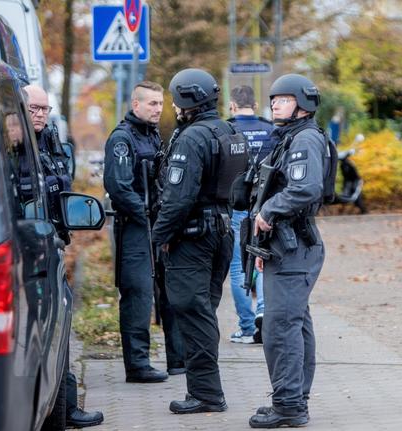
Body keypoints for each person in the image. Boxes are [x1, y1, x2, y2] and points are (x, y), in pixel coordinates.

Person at [152, 68, 248, 414]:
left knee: (193, 313)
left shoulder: (192, 138)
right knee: (204, 310)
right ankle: (205, 390)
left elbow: (178, 198)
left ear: (186, 101)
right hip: (222, 231)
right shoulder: (229, 131)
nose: (174, 107)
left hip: (193, 237)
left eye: (176, 101)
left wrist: (159, 236)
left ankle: (206, 394)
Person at [248, 74, 331, 428]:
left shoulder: (305, 139)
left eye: (282, 100)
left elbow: (307, 187)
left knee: (281, 327)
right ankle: (294, 398)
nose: (274, 105)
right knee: (294, 325)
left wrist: (268, 210)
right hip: (286, 245)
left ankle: (289, 406)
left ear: (302, 103)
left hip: (293, 245)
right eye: (273, 101)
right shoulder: (291, 137)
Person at [24, 85, 104, 428]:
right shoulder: (12, 145)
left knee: (61, 324)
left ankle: (65, 405)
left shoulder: (52, 141)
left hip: (52, 244)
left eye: (45, 108)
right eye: (34, 108)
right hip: (26, 250)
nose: (41, 114)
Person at [103, 81, 184, 383]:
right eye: (151, 104)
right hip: (136, 228)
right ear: (135, 104)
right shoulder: (122, 139)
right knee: (138, 294)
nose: (157, 109)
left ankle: (178, 359)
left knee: (171, 290)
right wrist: (146, 217)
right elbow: (119, 188)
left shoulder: (152, 136)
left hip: (157, 226)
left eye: (160, 104)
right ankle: (137, 366)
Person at [227, 85, 274, 344]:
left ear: (232, 106)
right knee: (263, 260)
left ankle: (246, 327)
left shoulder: (227, 130)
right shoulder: (270, 130)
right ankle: (264, 312)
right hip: (264, 207)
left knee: (237, 266)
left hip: (236, 206)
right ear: (255, 106)